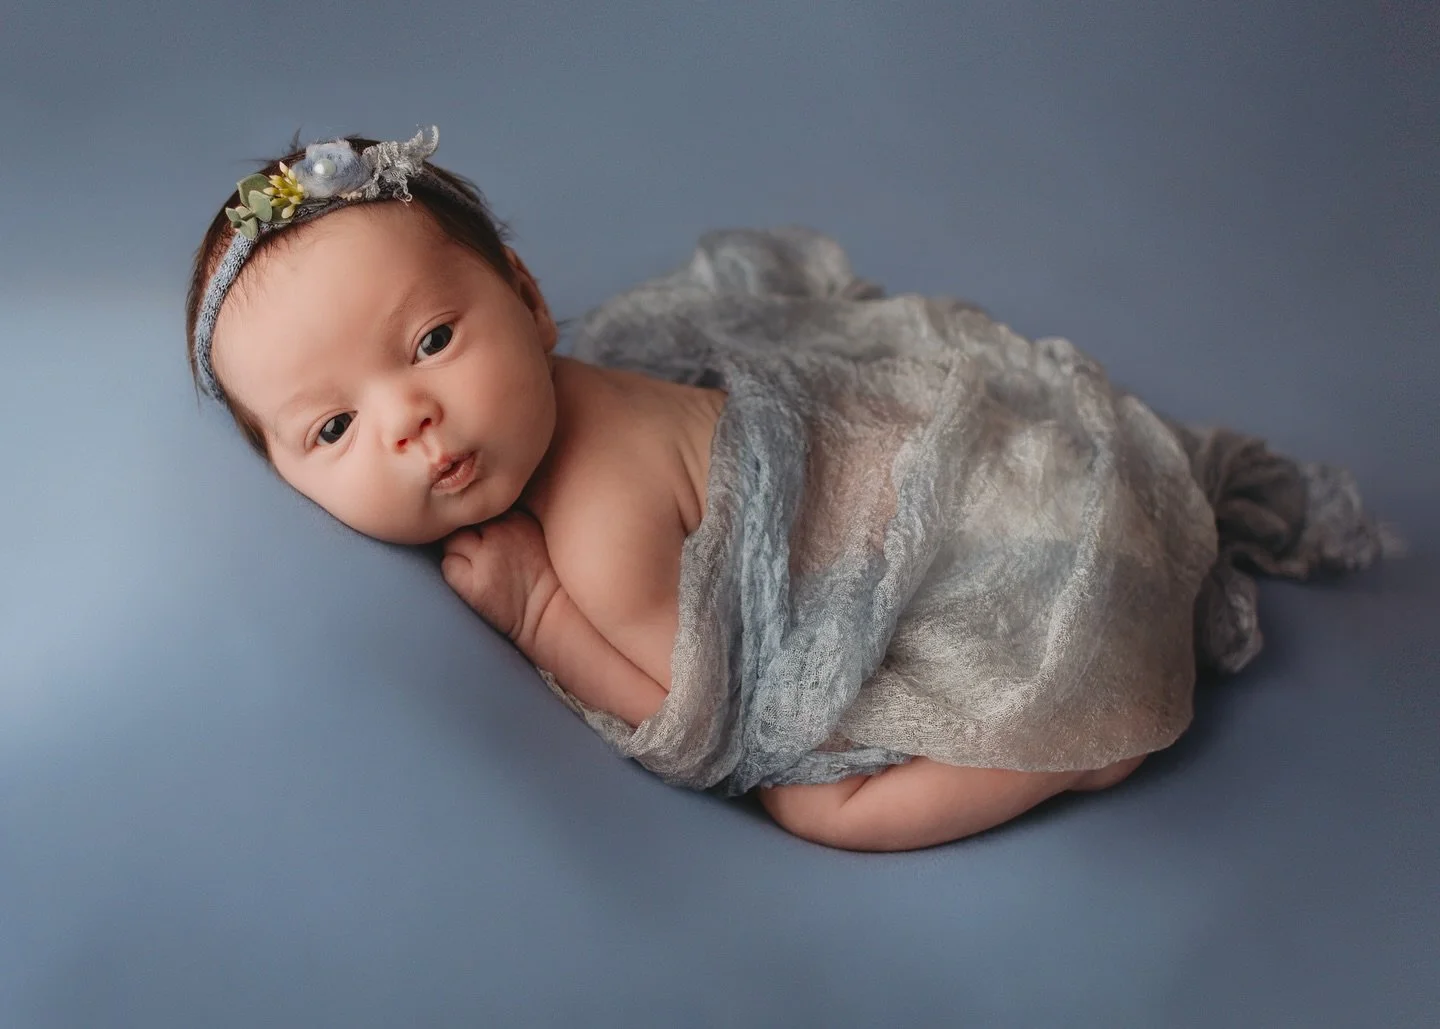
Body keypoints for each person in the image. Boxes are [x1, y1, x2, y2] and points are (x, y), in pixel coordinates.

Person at [185, 127, 1365, 853]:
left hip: (998, 567)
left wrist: (539, 611)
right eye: (332, 427)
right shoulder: (585, 383)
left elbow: (702, 720)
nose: (407, 421)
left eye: (434, 340)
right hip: (919, 472)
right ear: (280, 469)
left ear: (531, 301)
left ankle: (1076, 742)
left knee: (817, 813)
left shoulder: (597, 527)